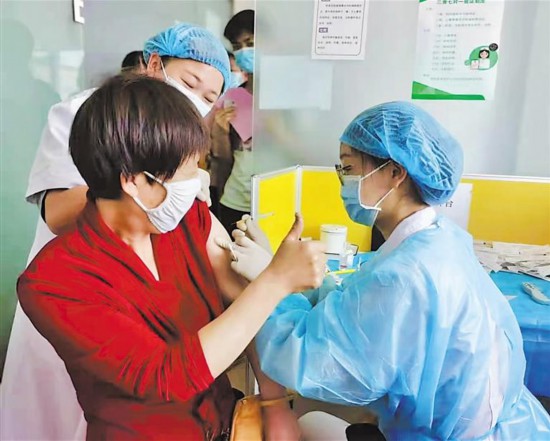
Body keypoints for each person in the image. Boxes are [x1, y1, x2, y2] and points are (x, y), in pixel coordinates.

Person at [16, 74, 326, 440]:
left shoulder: (187, 221)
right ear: (135, 181)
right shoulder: (54, 282)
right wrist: (274, 281)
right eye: (188, 170)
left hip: (226, 425)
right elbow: (165, 377)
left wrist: (274, 404)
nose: (198, 182)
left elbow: (245, 305)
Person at [232, 102, 550, 440]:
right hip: (517, 426)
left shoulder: (404, 275)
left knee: (310, 423)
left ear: (396, 173)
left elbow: (310, 361)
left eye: (348, 168)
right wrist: (286, 272)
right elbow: (358, 307)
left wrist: (271, 284)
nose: (343, 182)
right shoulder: (438, 237)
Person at [0, 22, 231, 441]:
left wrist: (172, 190)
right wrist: (145, 187)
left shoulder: (178, 198)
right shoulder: (85, 113)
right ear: (155, 64)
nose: (194, 100)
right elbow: (57, 212)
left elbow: (228, 273)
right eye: (188, 83)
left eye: (208, 97)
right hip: (81, 297)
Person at [210, 9, 255, 233]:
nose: (244, 51)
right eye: (237, 46)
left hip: (275, 197)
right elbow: (225, 160)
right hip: (235, 200)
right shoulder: (234, 97)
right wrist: (219, 131)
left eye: (250, 43)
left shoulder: (288, 99)